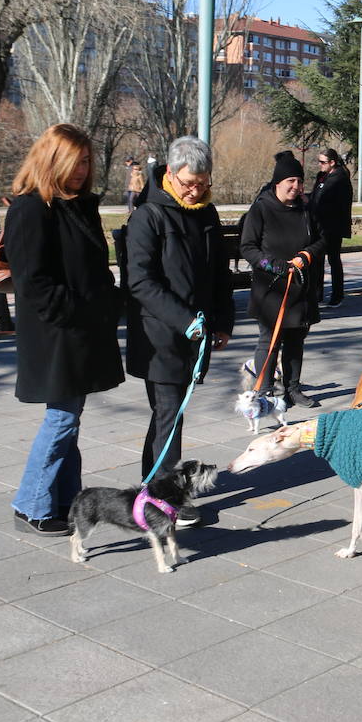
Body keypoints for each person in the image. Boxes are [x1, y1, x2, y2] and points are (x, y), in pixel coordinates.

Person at [5, 124, 124, 535]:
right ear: (52, 160)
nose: (81, 169)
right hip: (56, 335)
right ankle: (30, 504)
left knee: (69, 421)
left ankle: (67, 500)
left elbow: (93, 270)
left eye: (87, 161)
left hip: (83, 330)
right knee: (61, 421)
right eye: (74, 162)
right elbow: (33, 282)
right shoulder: (30, 208)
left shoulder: (80, 205)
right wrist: (82, 311)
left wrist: (109, 303)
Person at [125, 136, 235, 526]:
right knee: (169, 413)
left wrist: (223, 321)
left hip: (198, 332)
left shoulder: (206, 212)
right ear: (170, 173)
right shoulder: (148, 215)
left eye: (203, 182)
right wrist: (184, 320)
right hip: (160, 335)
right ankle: (162, 499)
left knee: (168, 415)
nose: (196, 190)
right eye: (189, 182)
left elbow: (219, 273)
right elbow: (140, 282)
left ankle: (151, 487)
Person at [241, 150, 326, 408]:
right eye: (290, 181)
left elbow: (322, 240)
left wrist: (306, 256)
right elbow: (248, 247)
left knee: (295, 341)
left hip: (300, 286)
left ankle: (292, 389)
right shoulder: (261, 209)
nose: (296, 186)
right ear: (278, 183)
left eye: (299, 181)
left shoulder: (307, 209)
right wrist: (275, 266)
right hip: (271, 289)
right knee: (269, 340)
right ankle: (265, 390)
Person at [310, 148, 352, 308]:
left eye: (323, 162)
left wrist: (315, 204)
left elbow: (333, 203)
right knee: (317, 259)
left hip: (333, 226)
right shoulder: (322, 176)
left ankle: (337, 295)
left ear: (332, 162)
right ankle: (317, 294)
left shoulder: (340, 178)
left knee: (333, 259)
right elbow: (316, 196)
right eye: (319, 161)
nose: (320, 165)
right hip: (320, 225)